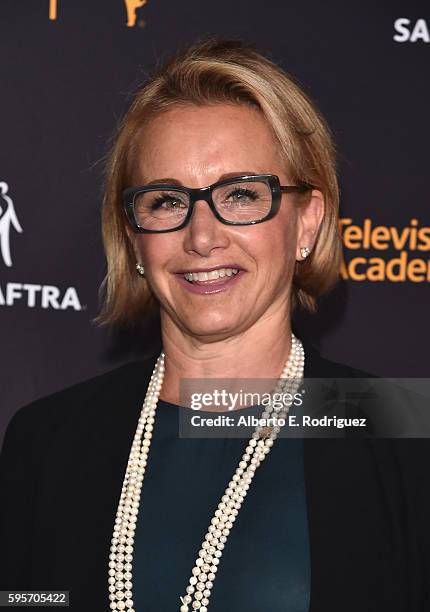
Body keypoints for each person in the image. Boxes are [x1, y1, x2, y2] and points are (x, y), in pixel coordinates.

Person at [0, 38, 428, 612]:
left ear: (307, 221)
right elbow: (29, 599)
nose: (202, 237)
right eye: (166, 201)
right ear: (133, 237)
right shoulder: (46, 439)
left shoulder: (399, 433)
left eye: (242, 194)